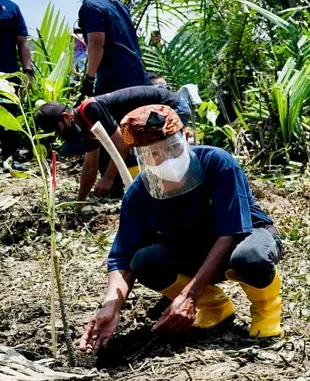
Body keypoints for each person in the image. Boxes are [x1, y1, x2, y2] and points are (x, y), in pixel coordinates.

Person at [79, 104, 283, 352]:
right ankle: (215, 307)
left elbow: (231, 231)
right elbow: (122, 257)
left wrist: (188, 296)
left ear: (185, 138)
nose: (166, 158)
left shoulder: (218, 164)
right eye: (154, 153)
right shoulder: (139, 195)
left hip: (243, 238)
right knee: (144, 262)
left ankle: (266, 309)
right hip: (193, 248)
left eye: (172, 148)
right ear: (140, 156)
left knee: (250, 258)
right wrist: (111, 305)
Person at [36, 85, 188, 200]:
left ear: (66, 116)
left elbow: (121, 145)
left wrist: (108, 178)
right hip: (152, 119)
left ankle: (180, 197)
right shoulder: (86, 128)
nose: (60, 134)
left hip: (171, 107)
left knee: (165, 160)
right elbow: (90, 166)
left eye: (59, 129)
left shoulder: (90, 110)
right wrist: (80, 202)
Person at [52, 0, 148, 98]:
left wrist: (89, 79)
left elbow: (96, 45)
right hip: (139, 78)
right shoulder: (116, 4)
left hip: (115, 83)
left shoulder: (91, 6)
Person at [0, 0, 33, 168]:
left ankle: (8, 159)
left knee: (10, 115)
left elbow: (22, 42)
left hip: (7, 73)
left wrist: (27, 71)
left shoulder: (11, 8)